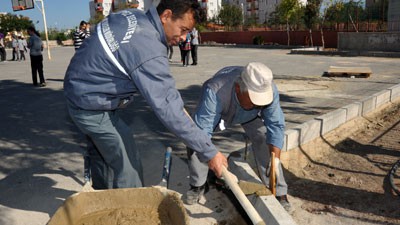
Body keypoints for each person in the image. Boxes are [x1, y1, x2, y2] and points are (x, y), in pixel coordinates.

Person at [63, 0, 227, 190]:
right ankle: (131, 214)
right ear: (166, 16)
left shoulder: (131, 16)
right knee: (127, 163)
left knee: (102, 152)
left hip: (82, 90)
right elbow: (168, 108)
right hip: (91, 105)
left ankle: (103, 197)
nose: (183, 37)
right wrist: (210, 152)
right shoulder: (149, 50)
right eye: (183, 29)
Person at [184, 62, 291, 211]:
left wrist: (276, 159)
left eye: (261, 101)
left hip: (251, 117)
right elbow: (202, 133)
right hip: (224, 111)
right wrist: (213, 158)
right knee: (196, 138)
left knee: (264, 136)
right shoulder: (215, 91)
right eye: (253, 99)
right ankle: (198, 184)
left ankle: (279, 192)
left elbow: (276, 125)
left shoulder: (269, 88)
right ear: (238, 88)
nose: (257, 104)